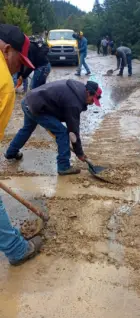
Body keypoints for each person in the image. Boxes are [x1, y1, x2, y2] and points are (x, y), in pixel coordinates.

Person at [0, 24, 43, 265]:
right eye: (20, 62)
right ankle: (16, 250)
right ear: (7, 50)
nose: (21, 70)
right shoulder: (4, 84)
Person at [5, 79, 102, 175]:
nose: (92, 103)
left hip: (28, 101)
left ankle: (11, 153)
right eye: (93, 100)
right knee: (62, 133)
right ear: (88, 93)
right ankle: (63, 166)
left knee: (27, 129)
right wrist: (79, 153)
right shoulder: (74, 103)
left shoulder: (79, 88)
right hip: (36, 107)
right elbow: (73, 131)